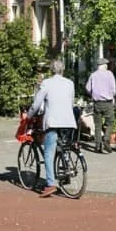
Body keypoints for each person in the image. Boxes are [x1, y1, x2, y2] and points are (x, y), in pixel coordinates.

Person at [26, 59, 77, 198]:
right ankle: (66, 171)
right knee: (64, 147)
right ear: (63, 69)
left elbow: (37, 104)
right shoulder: (70, 83)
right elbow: (71, 102)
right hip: (69, 122)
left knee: (49, 152)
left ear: (51, 70)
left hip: (53, 122)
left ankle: (50, 184)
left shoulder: (47, 83)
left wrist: (29, 115)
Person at [85, 57, 116, 154]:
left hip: (97, 103)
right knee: (110, 122)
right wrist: (111, 96)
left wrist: (93, 94)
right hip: (108, 102)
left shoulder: (93, 75)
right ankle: (106, 139)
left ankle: (97, 146)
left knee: (97, 125)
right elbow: (114, 89)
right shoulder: (109, 74)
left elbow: (87, 88)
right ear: (104, 65)